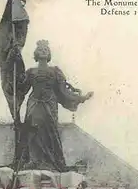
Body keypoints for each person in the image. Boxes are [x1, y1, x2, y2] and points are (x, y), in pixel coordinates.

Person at [17, 40, 94, 171]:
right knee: (32, 129)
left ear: (49, 55)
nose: (43, 51)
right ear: (36, 54)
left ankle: (50, 161)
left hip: (49, 104)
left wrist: (80, 98)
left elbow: (63, 91)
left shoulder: (55, 71)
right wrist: (16, 79)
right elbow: (21, 89)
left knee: (49, 130)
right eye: (40, 50)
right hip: (34, 103)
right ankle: (34, 160)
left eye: (46, 50)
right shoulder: (31, 72)